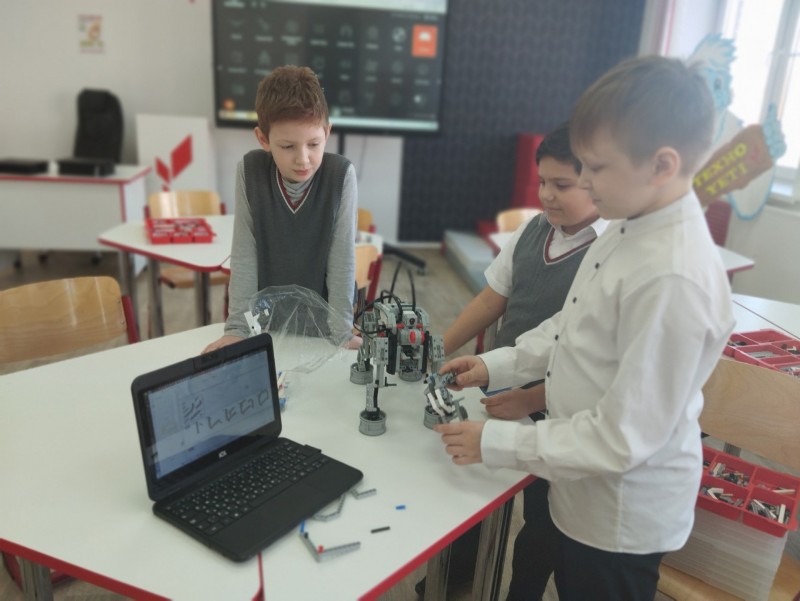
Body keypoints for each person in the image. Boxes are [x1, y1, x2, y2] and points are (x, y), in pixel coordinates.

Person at [434, 55, 735, 601]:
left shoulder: (674, 277)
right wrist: (494, 364)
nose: (587, 182)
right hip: (579, 484)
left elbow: (620, 439)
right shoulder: (629, 226)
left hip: (620, 513)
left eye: (596, 167)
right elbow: (570, 327)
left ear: (661, 165)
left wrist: (497, 441)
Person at [417, 122, 608, 599]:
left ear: (595, 182)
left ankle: (521, 590)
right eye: (542, 181)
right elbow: (492, 298)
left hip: (556, 405)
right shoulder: (533, 229)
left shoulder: (608, 252)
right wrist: (438, 347)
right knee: (472, 485)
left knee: (542, 517)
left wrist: (533, 397)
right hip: (500, 378)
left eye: (562, 184)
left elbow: (587, 355)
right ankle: (457, 572)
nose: (547, 194)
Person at [204, 65, 359, 353]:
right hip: (265, 328)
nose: (303, 159)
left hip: (324, 331)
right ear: (263, 139)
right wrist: (237, 330)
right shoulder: (249, 171)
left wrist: (341, 332)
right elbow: (244, 255)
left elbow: (342, 260)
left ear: (327, 132)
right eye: (288, 146)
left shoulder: (341, 176)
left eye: (314, 144)